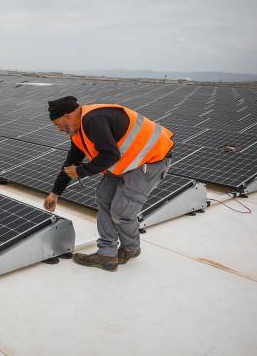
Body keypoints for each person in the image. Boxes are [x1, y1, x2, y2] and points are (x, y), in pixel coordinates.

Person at [44, 96, 173, 271]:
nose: (59, 129)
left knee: (122, 211)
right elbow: (71, 163)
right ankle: (107, 255)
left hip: (149, 160)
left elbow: (110, 155)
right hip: (125, 161)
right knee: (103, 197)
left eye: (57, 124)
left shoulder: (93, 120)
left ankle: (131, 248)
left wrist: (81, 171)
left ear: (67, 115)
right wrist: (55, 193)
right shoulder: (78, 132)